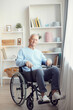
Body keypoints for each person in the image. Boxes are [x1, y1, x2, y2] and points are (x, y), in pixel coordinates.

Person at [16, 34, 61, 102]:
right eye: (33, 39)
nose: (34, 41)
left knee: (55, 69)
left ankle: (54, 92)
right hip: (29, 73)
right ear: (29, 40)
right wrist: (25, 62)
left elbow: (45, 60)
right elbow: (18, 62)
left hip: (40, 73)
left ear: (37, 42)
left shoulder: (38, 52)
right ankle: (43, 95)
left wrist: (48, 61)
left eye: (36, 40)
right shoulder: (22, 50)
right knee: (39, 71)